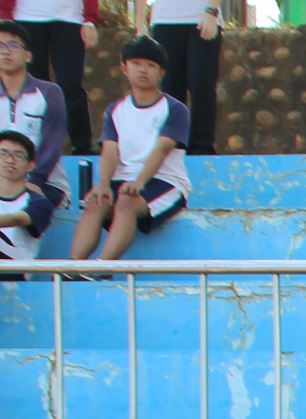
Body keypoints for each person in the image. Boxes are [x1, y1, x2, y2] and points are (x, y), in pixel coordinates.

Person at [71, 36, 188, 263]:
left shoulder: (175, 109)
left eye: (150, 65)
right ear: (124, 68)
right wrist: (103, 184)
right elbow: (110, 151)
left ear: (161, 72)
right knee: (95, 202)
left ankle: (102, 269)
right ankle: (72, 269)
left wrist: (140, 182)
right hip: (123, 180)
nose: (143, 70)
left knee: (127, 202)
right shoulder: (115, 109)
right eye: (136, 63)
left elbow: (162, 149)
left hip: (165, 181)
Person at [2, 2, 87, 161]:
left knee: (70, 84)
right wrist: (5, 13)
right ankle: (28, 150)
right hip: (26, 16)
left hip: (69, 17)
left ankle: (82, 148)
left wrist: (89, 20)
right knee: (32, 89)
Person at [0, 22, 71, 211]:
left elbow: (52, 145)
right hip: (3, 184)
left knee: (17, 205)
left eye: (13, 45)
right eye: (0, 46)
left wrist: (33, 180)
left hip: (45, 184)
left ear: (28, 55)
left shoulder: (49, 92)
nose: (5, 51)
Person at [148, 0, 216, 154]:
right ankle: (174, 146)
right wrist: (140, 24)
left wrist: (212, 10)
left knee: (201, 84)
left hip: (202, 17)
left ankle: (202, 149)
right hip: (165, 20)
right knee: (171, 87)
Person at [0, 127, 53, 262]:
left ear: (30, 165)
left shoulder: (40, 203)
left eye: (18, 155)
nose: (10, 160)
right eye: (3, 153)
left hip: (15, 269)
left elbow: (17, 219)